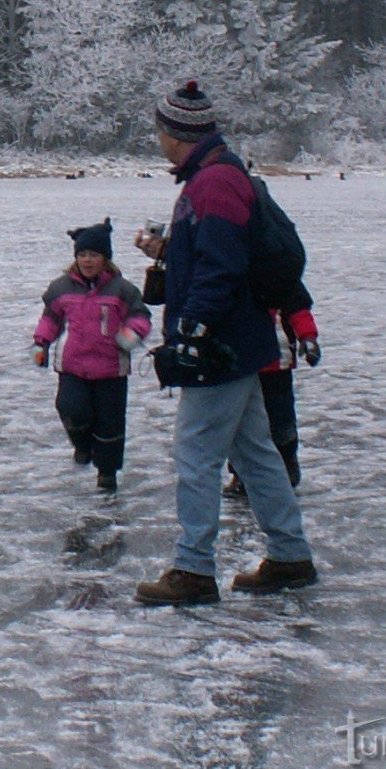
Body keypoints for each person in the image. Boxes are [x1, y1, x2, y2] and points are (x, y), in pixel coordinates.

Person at [131, 81, 316, 606]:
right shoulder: (215, 177)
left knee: (195, 455)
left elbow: (223, 264)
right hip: (243, 339)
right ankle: (290, 555)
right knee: (256, 454)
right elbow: (217, 253)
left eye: (161, 129)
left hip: (224, 347)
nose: (158, 138)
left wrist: (192, 330)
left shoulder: (213, 184)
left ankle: (193, 569)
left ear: (176, 133)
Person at [32, 220, 152, 493]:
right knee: (70, 409)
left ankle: (107, 474)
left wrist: (132, 333)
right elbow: (51, 319)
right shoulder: (61, 288)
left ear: (105, 259)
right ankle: (83, 446)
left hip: (111, 368)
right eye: (83, 255)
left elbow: (140, 316)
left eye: (94, 255)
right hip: (73, 365)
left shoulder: (122, 290)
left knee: (110, 425)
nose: (87, 260)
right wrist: (41, 343)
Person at [226, 295, 320, 497]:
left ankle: (287, 465)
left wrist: (308, 336)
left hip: (276, 363)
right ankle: (241, 474)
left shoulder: (278, 275)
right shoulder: (229, 272)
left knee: (280, 418)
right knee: (240, 422)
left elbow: (297, 306)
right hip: (238, 361)